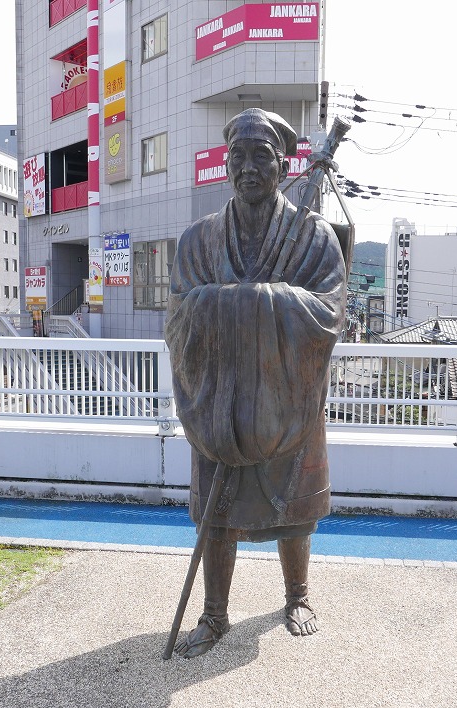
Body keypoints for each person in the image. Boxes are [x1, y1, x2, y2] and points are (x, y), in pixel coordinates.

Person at [165, 108, 347, 658]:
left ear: (283, 164)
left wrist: (248, 303)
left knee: (294, 506)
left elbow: (328, 312)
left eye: (261, 155)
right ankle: (214, 614)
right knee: (218, 509)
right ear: (226, 165)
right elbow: (179, 316)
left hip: (288, 396)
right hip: (220, 403)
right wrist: (239, 306)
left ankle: (298, 596)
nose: (248, 167)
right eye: (237, 156)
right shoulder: (198, 240)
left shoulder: (314, 237)